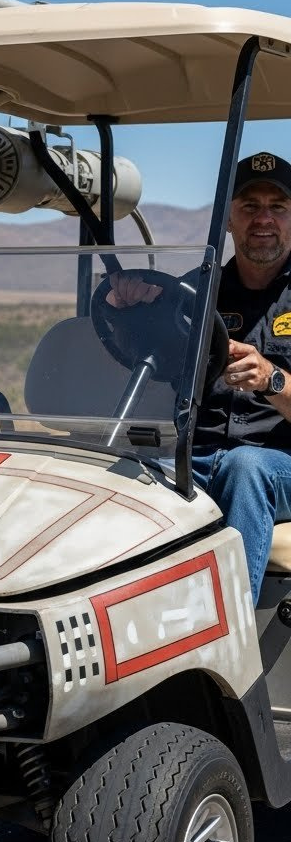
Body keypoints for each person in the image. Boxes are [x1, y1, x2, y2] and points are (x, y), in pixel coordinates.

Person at [110, 152, 291, 605]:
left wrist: (273, 380)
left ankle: (232, 641)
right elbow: (143, 354)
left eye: (278, 207)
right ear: (228, 220)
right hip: (196, 455)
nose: (263, 219)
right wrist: (125, 307)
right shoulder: (195, 290)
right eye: (249, 207)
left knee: (246, 467)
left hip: (278, 465)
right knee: (112, 479)